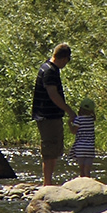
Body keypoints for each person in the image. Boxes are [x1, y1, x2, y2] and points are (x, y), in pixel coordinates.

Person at [33, 43, 74, 185]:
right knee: (50, 150)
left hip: (47, 115)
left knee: (53, 148)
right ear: (64, 58)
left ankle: (48, 182)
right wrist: (69, 110)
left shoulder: (46, 67)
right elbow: (53, 94)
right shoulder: (50, 71)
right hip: (48, 116)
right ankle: (47, 183)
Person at [70, 97, 97, 177]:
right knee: (87, 170)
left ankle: (82, 185)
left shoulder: (78, 119)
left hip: (80, 148)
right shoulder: (91, 119)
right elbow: (94, 116)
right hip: (90, 148)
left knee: (82, 170)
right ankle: (88, 184)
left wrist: (69, 123)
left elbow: (73, 131)